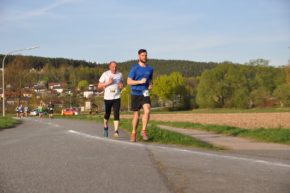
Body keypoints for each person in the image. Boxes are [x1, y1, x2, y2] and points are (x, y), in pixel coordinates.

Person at [127, 49, 153, 142]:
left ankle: (144, 131)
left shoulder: (150, 69)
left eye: (145, 55)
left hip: (145, 92)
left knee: (147, 110)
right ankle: (133, 132)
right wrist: (139, 82)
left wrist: (150, 85)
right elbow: (129, 81)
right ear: (139, 56)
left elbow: (150, 80)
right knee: (136, 116)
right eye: (142, 55)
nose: (144, 57)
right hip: (135, 93)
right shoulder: (135, 68)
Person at [98, 61, 124, 138]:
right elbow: (99, 85)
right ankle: (105, 127)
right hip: (108, 98)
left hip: (117, 97)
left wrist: (122, 85)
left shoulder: (120, 74)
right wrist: (108, 83)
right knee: (107, 114)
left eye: (116, 67)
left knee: (116, 113)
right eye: (113, 67)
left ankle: (116, 131)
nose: (114, 68)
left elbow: (122, 83)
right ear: (109, 67)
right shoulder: (105, 74)